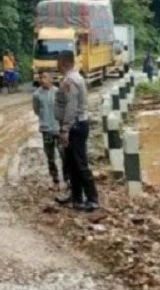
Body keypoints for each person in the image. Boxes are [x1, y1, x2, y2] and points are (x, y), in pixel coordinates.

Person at [55, 51, 99, 212]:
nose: (56, 66)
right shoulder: (74, 77)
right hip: (76, 125)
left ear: (64, 62)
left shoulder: (70, 80)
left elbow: (71, 107)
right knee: (72, 163)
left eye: (58, 62)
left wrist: (65, 129)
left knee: (80, 163)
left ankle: (92, 199)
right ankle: (77, 198)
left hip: (75, 126)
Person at [32, 71, 69, 191]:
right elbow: (36, 110)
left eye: (45, 77)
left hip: (58, 129)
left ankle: (67, 179)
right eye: (41, 77)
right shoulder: (37, 94)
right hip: (46, 130)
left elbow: (64, 109)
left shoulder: (58, 92)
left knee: (64, 155)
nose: (43, 80)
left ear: (51, 79)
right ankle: (55, 180)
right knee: (50, 156)